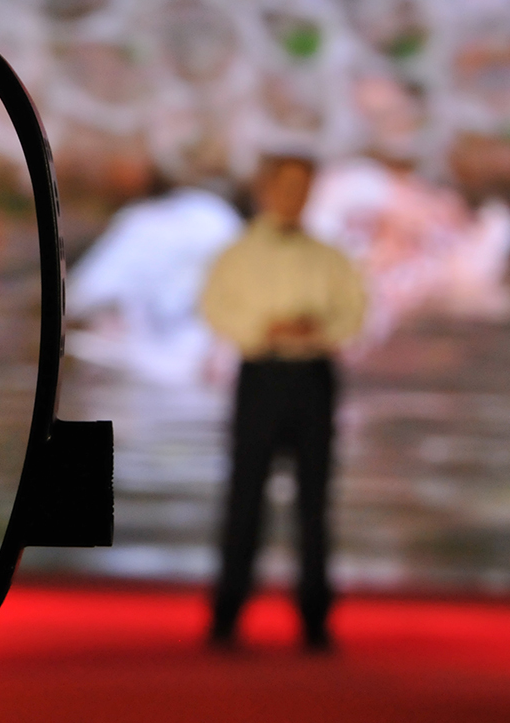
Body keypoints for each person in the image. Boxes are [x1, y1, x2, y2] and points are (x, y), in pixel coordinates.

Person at [200, 155, 366, 650]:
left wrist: (315, 329)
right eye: (287, 184)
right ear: (267, 189)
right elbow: (216, 308)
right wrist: (265, 329)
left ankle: (315, 615)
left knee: (315, 500)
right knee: (245, 496)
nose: (295, 195)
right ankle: (228, 611)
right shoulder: (237, 255)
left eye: (304, 186)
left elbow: (355, 311)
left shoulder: (330, 257)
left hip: (314, 377)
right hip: (261, 375)